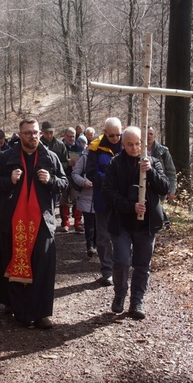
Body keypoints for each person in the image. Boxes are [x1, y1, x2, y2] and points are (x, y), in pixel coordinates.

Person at [0, 118, 69, 329]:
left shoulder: (50, 157)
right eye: (28, 133)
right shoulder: (6, 158)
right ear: (20, 134)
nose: (33, 136)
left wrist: (51, 180)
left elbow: (64, 183)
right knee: (13, 260)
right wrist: (9, 180)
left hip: (42, 220)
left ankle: (41, 313)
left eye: (36, 132)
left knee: (42, 265)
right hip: (12, 219)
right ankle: (16, 307)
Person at [102, 126, 171, 320]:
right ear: (123, 145)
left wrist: (150, 172)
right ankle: (120, 294)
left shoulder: (153, 162)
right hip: (122, 223)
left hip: (146, 225)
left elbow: (164, 187)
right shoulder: (115, 164)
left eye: (137, 144)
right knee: (122, 261)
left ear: (143, 143)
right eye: (130, 144)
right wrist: (130, 206)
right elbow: (108, 192)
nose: (134, 148)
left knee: (142, 265)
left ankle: (137, 301)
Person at [86, 117, 123, 286]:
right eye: (112, 135)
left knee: (123, 234)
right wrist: (108, 181)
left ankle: (122, 268)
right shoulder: (95, 147)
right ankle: (107, 270)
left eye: (118, 135)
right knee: (103, 236)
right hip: (102, 197)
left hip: (123, 199)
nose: (115, 138)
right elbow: (90, 172)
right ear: (105, 132)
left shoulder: (128, 143)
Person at [71, 138, 96, 258]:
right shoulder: (84, 158)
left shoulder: (105, 157)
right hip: (87, 197)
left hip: (100, 197)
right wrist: (83, 182)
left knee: (99, 224)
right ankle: (90, 246)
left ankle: (96, 245)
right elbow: (75, 173)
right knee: (89, 223)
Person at [60, 127, 84, 232]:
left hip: (75, 177)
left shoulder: (79, 146)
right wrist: (66, 163)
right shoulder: (60, 146)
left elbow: (84, 161)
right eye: (69, 136)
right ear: (64, 136)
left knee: (77, 200)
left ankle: (77, 223)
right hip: (63, 176)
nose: (71, 138)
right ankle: (65, 223)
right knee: (63, 200)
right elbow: (55, 163)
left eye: (73, 136)